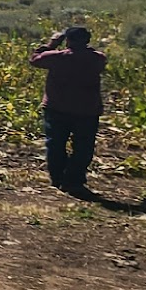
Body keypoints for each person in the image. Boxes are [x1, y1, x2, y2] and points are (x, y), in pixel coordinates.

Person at [29, 26, 106, 195]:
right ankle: (73, 180)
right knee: (83, 147)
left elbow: (35, 59)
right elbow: (98, 60)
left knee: (55, 144)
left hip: (57, 108)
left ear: (67, 40)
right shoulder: (98, 59)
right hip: (87, 111)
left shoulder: (57, 57)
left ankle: (58, 178)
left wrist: (52, 43)